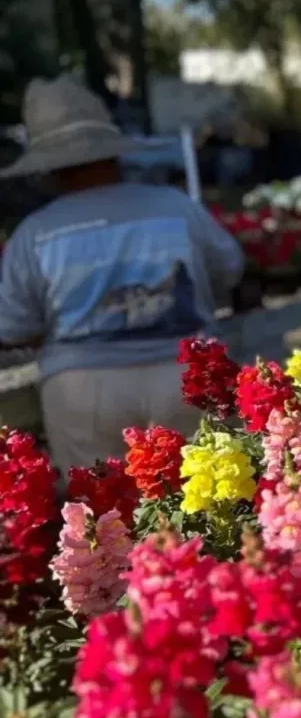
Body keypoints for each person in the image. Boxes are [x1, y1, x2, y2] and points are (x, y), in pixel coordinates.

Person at [0, 76, 245, 472]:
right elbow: (228, 269)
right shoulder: (175, 207)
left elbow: (12, 327)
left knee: (104, 515)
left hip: (83, 389)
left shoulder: (37, 232)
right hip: (187, 377)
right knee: (212, 508)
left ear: (49, 168)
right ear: (114, 153)